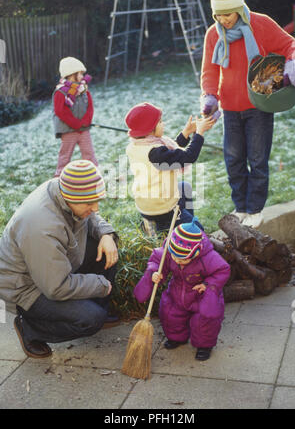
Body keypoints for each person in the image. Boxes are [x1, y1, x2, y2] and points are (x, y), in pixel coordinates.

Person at [200, 0, 295, 228]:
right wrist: (209, 96)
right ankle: (241, 207)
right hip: (230, 109)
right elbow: (209, 71)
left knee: (257, 160)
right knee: (233, 160)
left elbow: (291, 44)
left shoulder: (260, 24)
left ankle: (255, 209)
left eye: (228, 14)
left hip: (259, 105)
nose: (224, 20)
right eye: (218, 15)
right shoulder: (214, 35)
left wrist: (294, 65)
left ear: (240, 7)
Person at [0, 160, 119, 358]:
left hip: (52, 267)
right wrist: (100, 285)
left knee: (108, 250)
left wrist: (106, 234)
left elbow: (89, 216)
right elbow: (56, 287)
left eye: (97, 200)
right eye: (90, 203)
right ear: (72, 198)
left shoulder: (64, 190)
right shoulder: (41, 227)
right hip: (26, 287)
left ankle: (98, 308)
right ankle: (30, 328)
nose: (96, 208)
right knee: (91, 320)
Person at [134, 217, 230, 360]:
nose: (178, 260)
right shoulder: (169, 251)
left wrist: (207, 284)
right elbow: (157, 261)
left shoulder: (208, 257)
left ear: (196, 253)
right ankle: (176, 338)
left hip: (200, 294)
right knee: (170, 314)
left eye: (183, 259)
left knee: (204, 321)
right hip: (177, 291)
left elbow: (222, 270)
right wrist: (156, 272)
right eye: (175, 257)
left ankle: (204, 346)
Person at [125, 102, 215, 234]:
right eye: (160, 122)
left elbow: (170, 154)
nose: (164, 124)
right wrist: (199, 133)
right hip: (161, 209)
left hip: (146, 202)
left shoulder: (136, 146)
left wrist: (186, 132)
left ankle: (183, 222)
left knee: (184, 188)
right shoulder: (155, 152)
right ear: (149, 129)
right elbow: (187, 157)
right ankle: (182, 229)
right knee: (199, 233)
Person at [53, 57, 98, 176]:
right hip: (68, 130)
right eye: (80, 73)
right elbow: (60, 111)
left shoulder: (83, 89)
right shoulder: (61, 92)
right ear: (72, 74)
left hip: (83, 129)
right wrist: (76, 123)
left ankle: (93, 175)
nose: (83, 76)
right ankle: (59, 178)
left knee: (89, 153)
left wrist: (86, 121)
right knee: (65, 156)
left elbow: (90, 107)